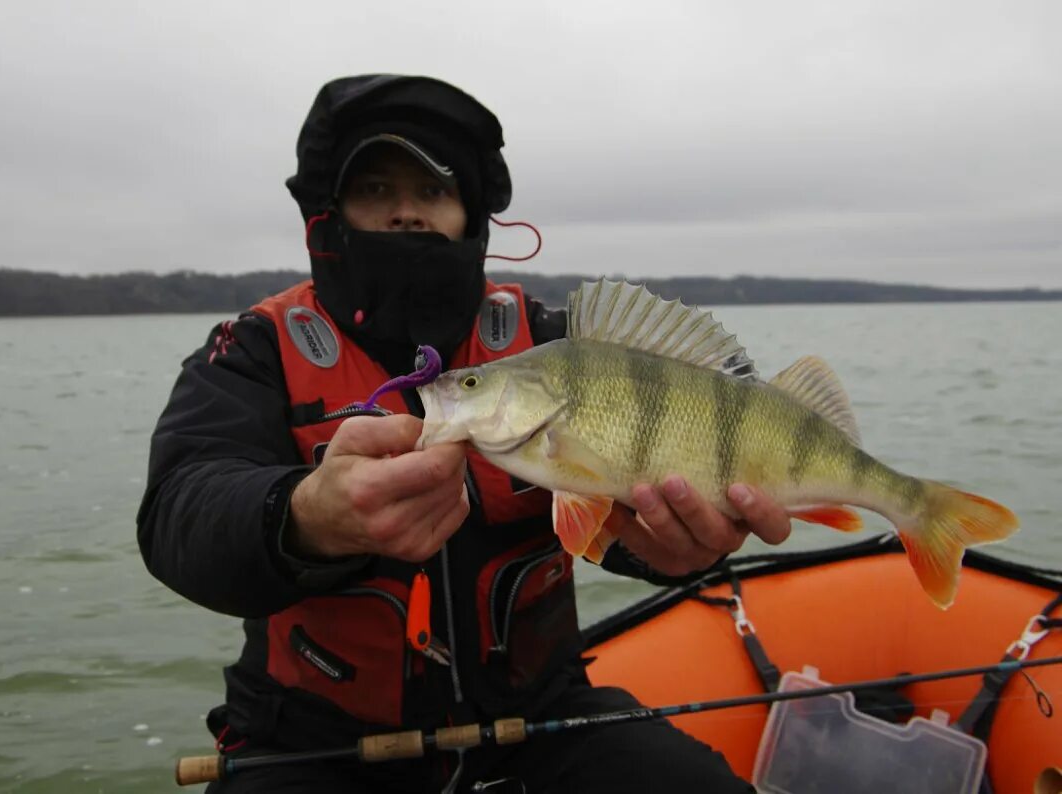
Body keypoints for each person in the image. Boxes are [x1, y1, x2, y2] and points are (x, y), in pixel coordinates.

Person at [137, 74, 792, 793]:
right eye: (378, 190)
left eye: (433, 190)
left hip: (539, 721)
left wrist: (671, 553)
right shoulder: (256, 350)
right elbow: (180, 508)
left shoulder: (554, 346)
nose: (408, 213)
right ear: (332, 212)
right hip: (313, 742)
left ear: (471, 215)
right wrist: (302, 516)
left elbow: (618, 512)